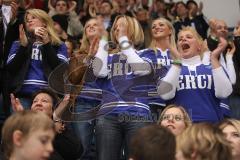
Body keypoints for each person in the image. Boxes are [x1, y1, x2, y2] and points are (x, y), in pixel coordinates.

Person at [93, 15, 151, 160]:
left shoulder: (147, 53)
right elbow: (99, 72)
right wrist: (104, 41)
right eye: (116, 27)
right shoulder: (109, 57)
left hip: (138, 113)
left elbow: (141, 69)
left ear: (133, 29)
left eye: (122, 26)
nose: (118, 29)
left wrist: (124, 41)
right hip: (108, 115)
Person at [157, 27, 233, 122]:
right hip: (181, 126)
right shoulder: (170, 68)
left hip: (210, 126)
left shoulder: (213, 67)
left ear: (199, 46)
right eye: (180, 39)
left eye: (189, 37)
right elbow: (165, 95)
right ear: (178, 47)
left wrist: (213, 58)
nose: (183, 39)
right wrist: (177, 61)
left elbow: (224, 93)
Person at [6, 9, 68, 109]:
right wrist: (23, 47)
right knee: (21, 125)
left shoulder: (58, 45)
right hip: (22, 95)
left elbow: (60, 71)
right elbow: (11, 69)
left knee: (43, 125)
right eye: (27, 19)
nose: (29, 21)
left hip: (48, 97)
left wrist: (47, 44)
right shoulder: (18, 44)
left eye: (33, 18)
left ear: (44, 23)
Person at [10, 88, 83, 160]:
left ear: (53, 110)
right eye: (35, 101)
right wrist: (22, 121)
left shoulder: (60, 129)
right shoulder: (21, 126)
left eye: (44, 101)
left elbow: (76, 152)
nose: (38, 103)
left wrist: (55, 124)